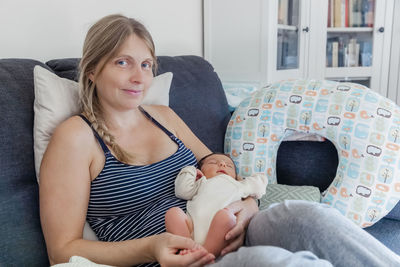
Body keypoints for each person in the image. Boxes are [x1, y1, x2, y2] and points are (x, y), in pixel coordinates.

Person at [39, 14, 400, 267]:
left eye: (147, 64)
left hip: (227, 226)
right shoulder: (76, 137)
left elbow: (216, 164)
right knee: (271, 262)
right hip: (178, 258)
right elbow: (62, 250)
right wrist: (152, 248)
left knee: (304, 215)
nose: (139, 76)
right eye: (123, 62)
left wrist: (247, 206)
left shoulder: (162, 117)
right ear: (91, 69)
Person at [165, 153, 268, 257]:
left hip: (221, 229)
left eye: (229, 166)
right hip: (192, 228)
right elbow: (182, 190)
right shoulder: (202, 183)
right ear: (202, 171)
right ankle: (187, 247)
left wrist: (247, 180)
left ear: (235, 175)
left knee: (225, 216)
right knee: (173, 213)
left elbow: (260, 186)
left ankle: (204, 255)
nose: (223, 164)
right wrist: (191, 171)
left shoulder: (239, 185)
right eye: (213, 162)